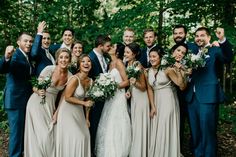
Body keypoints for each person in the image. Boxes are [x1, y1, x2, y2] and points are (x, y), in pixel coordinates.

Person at [185, 27, 233, 157]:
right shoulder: (192, 50)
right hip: (191, 97)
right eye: (196, 36)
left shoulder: (215, 50)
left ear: (209, 37)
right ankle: (197, 154)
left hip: (208, 97)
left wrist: (222, 40)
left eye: (202, 35)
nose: (199, 38)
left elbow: (228, 57)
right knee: (195, 132)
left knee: (208, 131)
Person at [24, 48, 72, 157]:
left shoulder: (70, 76)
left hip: (50, 106)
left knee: (49, 134)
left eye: (66, 57)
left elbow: (63, 97)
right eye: (61, 57)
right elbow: (35, 87)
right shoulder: (48, 69)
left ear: (69, 60)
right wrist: (39, 90)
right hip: (36, 103)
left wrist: (57, 113)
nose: (63, 60)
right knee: (42, 134)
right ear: (57, 59)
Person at [147, 45, 187, 157]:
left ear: (160, 58)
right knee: (157, 129)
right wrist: (153, 106)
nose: (152, 59)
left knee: (165, 128)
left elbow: (181, 86)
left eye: (154, 56)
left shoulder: (168, 69)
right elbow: (150, 88)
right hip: (156, 102)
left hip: (168, 101)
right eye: (150, 56)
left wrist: (179, 71)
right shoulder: (149, 71)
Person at [0, 33, 34, 157]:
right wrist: (6, 57)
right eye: (25, 41)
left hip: (24, 100)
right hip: (15, 100)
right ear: (18, 42)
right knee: (16, 133)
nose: (28, 44)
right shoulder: (15, 56)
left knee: (21, 133)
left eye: (31, 41)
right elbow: (3, 68)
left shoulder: (27, 56)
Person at [95, 44, 131, 157]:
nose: (109, 47)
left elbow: (127, 81)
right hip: (110, 98)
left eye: (113, 47)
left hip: (118, 97)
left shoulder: (119, 63)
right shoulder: (109, 63)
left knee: (116, 123)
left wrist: (111, 87)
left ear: (117, 51)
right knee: (107, 122)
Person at [56, 54, 93, 157]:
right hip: (67, 111)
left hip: (79, 113)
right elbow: (67, 97)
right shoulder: (74, 79)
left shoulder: (90, 81)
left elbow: (88, 100)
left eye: (88, 61)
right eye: (83, 62)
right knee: (78, 137)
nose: (86, 63)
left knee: (86, 136)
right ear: (79, 65)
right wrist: (83, 103)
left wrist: (87, 118)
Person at [124, 42, 150, 157]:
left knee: (139, 126)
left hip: (141, 99)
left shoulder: (137, 65)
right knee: (135, 125)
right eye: (125, 52)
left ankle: (141, 152)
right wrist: (129, 90)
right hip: (134, 98)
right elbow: (132, 83)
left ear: (134, 54)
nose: (125, 54)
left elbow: (143, 87)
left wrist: (134, 84)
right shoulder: (128, 64)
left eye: (127, 52)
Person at [88, 34, 111, 156]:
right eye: (108, 46)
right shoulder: (90, 58)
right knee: (94, 125)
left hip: (104, 99)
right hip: (94, 99)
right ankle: (91, 151)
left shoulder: (105, 58)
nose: (109, 48)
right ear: (100, 46)